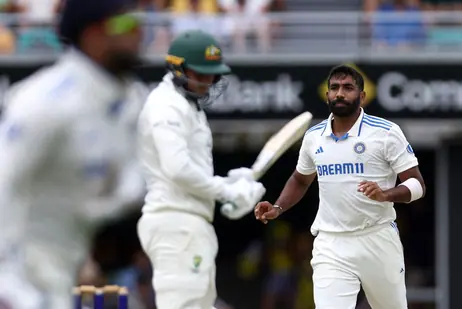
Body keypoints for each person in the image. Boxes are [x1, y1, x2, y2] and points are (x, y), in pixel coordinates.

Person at [0, 0, 145, 309]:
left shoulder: (130, 102)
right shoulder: (44, 103)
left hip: (65, 273)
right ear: (91, 35)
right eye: (125, 23)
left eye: (138, 19)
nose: (138, 30)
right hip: (18, 284)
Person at [254, 65, 426, 309]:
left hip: (377, 237)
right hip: (331, 243)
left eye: (348, 88)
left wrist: (385, 194)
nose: (340, 94)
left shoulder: (386, 132)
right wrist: (278, 207)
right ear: (327, 95)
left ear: (362, 96)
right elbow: (300, 179)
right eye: (334, 88)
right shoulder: (314, 137)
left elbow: (417, 184)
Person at [136, 29, 266, 309]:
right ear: (177, 67)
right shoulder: (166, 106)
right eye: (200, 73)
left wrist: (230, 180)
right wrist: (225, 191)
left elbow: (190, 170)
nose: (207, 82)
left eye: (212, 75)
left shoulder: (187, 106)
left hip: (191, 224)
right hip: (175, 222)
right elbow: (178, 169)